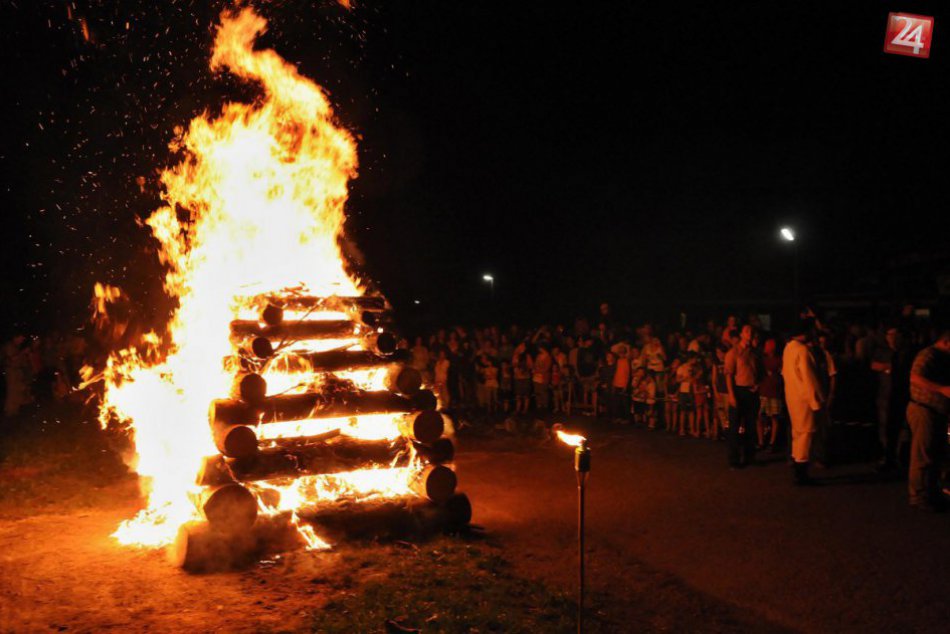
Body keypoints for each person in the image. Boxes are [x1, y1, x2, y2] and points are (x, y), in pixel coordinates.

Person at [905, 330, 950, 512]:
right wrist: (941, 389)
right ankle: (918, 495)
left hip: (936, 411)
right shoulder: (928, 355)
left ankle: (931, 492)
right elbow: (915, 377)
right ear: (946, 342)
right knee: (922, 455)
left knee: (934, 453)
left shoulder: (940, 357)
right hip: (924, 410)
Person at [782, 321, 825, 485]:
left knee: (797, 433)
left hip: (792, 397)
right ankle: (801, 474)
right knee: (806, 434)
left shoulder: (788, 348)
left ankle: (797, 466)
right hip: (803, 399)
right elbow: (809, 379)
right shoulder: (802, 350)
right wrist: (816, 402)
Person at [870, 326, 913, 471]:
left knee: (902, 427)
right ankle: (888, 457)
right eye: (890, 335)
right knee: (885, 427)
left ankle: (901, 457)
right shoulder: (881, 351)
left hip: (902, 395)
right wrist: (885, 366)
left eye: (896, 335)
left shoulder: (907, 352)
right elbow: (873, 365)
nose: (893, 338)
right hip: (885, 395)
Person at [724, 325, 761, 467]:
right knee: (734, 427)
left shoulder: (754, 353)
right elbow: (729, 375)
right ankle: (733, 460)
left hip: (752, 392)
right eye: (746, 331)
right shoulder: (733, 353)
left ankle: (749, 457)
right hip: (738, 391)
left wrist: (757, 384)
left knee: (751, 427)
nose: (750, 333)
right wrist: (732, 395)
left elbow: (760, 373)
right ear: (741, 334)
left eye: (751, 331)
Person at [757, 338, 783, 452]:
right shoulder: (762, 360)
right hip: (763, 391)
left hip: (774, 392)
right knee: (759, 417)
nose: (765, 347)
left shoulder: (780, 360)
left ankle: (772, 443)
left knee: (774, 417)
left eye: (767, 345)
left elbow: (782, 374)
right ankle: (761, 441)